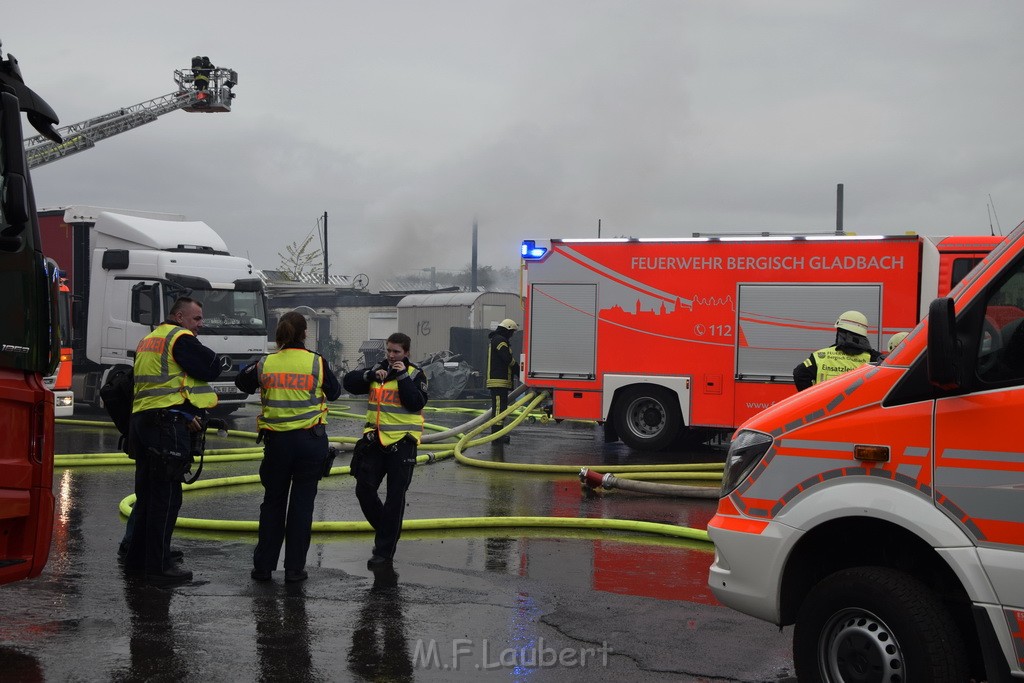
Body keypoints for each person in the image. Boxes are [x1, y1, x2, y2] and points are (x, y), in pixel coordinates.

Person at [235, 312, 341, 583]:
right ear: (305, 333)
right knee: (302, 507)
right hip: (310, 442)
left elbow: (241, 382)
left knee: (272, 504)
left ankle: (263, 568)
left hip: (277, 443)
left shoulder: (266, 363)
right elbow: (336, 392)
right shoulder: (317, 362)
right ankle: (295, 569)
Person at [122, 297, 221, 585]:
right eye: (197, 318)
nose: (200, 325)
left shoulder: (150, 339)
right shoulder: (180, 338)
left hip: (142, 423)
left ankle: (137, 561)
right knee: (167, 499)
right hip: (165, 427)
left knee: (147, 496)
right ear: (179, 317)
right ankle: (159, 566)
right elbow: (211, 366)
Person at [343, 332, 428, 567]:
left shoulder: (415, 374)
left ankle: (383, 552)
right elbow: (348, 383)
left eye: (396, 352)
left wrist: (402, 377)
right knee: (364, 490)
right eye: (388, 351)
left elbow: (416, 402)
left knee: (394, 498)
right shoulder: (377, 371)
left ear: (406, 353)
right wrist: (369, 374)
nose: (391, 356)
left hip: (403, 443)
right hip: (375, 440)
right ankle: (387, 531)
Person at [793, 310, 881, 391]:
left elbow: (799, 374)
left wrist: (811, 397)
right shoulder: (875, 359)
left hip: (826, 406)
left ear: (840, 333)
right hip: (858, 407)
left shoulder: (821, 356)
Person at [486, 319, 519, 444]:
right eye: (511, 332)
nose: (512, 335)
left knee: (501, 409)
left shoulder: (497, 339)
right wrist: (518, 370)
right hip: (498, 381)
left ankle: (498, 434)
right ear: (507, 329)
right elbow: (507, 359)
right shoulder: (500, 340)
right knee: (499, 409)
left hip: (500, 381)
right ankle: (496, 436)